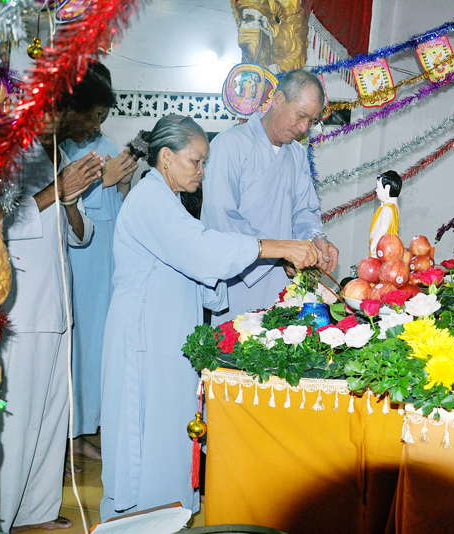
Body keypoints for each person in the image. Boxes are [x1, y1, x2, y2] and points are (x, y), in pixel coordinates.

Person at [99, 115, 319, 521]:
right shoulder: (149, 199)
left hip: (168, 334)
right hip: (144, 337)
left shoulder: (169, 201)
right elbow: (201, 250)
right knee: (144, 436)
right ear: (166, 157)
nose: (202, 170)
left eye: (204, 162)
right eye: (196, 161)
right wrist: (278, 247)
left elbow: (200, 263)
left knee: (170, 430)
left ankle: (165, 517)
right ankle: (135, 521)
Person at [0, 79, 105, 533]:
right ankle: (3, 516)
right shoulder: (7, 153)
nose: (91, 128)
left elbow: (80, 234)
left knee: (51, 416)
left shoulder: (56, 154)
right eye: (88, 117)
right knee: (18, 420)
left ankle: (35, 512)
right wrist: (55, 191)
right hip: (21, 308)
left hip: (58, 308)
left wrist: (72, 202)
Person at [201, 69, 339, 324]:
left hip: (282, 280)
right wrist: (282, 252)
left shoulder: (296, 154)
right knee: (234, 343)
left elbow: (304, 211)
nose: (304, 128)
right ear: (278, 100)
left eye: (311, 121)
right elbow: (222, 219)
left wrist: (316, 239)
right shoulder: (230, 144)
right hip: (237, 280)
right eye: (300, 115)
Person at [59, 62, 138, 463]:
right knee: (77, 348)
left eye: (103, 115)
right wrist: (102, 182)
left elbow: (118, 210)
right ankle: (67, 435)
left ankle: (84, 429)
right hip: (78, 259)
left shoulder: (104, 143)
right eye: (94, 113)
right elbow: (63, 206)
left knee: (97, 348)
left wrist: (122, 183)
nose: (97, 123)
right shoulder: (64, 147)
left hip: (104, 258)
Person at [369, 170, 401, 257]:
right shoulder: (395, 207)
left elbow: (383, 229)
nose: (376, 190)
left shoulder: (387, 209)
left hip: (381, 248)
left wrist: (373, 245)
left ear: (387, 189)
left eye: (378, 187)